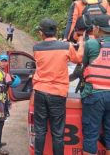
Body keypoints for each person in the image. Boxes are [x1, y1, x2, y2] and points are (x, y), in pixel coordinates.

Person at [33, 18, 84, 155]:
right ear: (56, 31)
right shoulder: (66, 47)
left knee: (39, 130)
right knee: (58, 133)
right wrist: (80, 43)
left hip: (40, 92)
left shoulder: (36, 48)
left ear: (41, 33)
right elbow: (78, 59)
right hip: (58, 94)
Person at [82, 15, 110, 155]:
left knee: (90, 135)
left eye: (93, 27)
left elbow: (85, 66)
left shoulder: (91, 44)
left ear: (98, 28)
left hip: (95, 95)